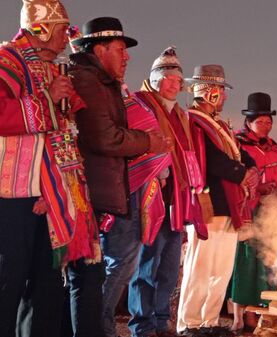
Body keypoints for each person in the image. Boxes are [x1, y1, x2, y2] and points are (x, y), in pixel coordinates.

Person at [0, 1, 101, 337]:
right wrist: (46, 99)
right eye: (63, 29)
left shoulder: (55, 69)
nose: (68, 37)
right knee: (8, 284)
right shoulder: (6, 61)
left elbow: (66, 130)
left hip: (51, 197)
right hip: (11, 195)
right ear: (41, 29)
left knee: (46, 287)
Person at [68, 17, 171, 337]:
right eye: (119, 50)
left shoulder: (100, 83)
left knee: (102, 269)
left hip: (105, 188)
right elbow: (104, 138)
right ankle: (100, 328)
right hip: (96, 191)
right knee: (104, 268)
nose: (126, 57)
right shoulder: (90, 83)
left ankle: (99, 328)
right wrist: (148, 142)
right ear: (99, 50)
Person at [126, 47, 203, 337]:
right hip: (150, 196)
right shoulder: (140, 105)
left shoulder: (180, 115)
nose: (174, 83)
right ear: (155, 79)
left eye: (177, 79)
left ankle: (160, 320)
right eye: (168, 78)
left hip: (176, 199)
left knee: (169, 268)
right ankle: (141, 324)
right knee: (146, 264)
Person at [177, 65, 258, 337]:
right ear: (208, 92)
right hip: (207, 202)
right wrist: (241, 172)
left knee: (220, 268)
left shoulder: (220, 126)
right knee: (201, 266)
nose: (223, 97)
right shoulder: (194, 122)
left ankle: (208, 321)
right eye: (221, 91)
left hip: (228, 204)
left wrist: (250, 167)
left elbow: (237, 153)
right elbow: (213, 160)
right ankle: (189, 323)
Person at [230, 92, 277, 332]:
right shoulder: (237, 144)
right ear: (248, 122)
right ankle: (239, 316)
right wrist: (258, 188)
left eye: (269, 121)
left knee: (269, 264)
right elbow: (235, 177)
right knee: (246, 263)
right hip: (249, 212)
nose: (266, 125)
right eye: (260, 121)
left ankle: (265, 314)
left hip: (273, 215)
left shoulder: (276, 149)